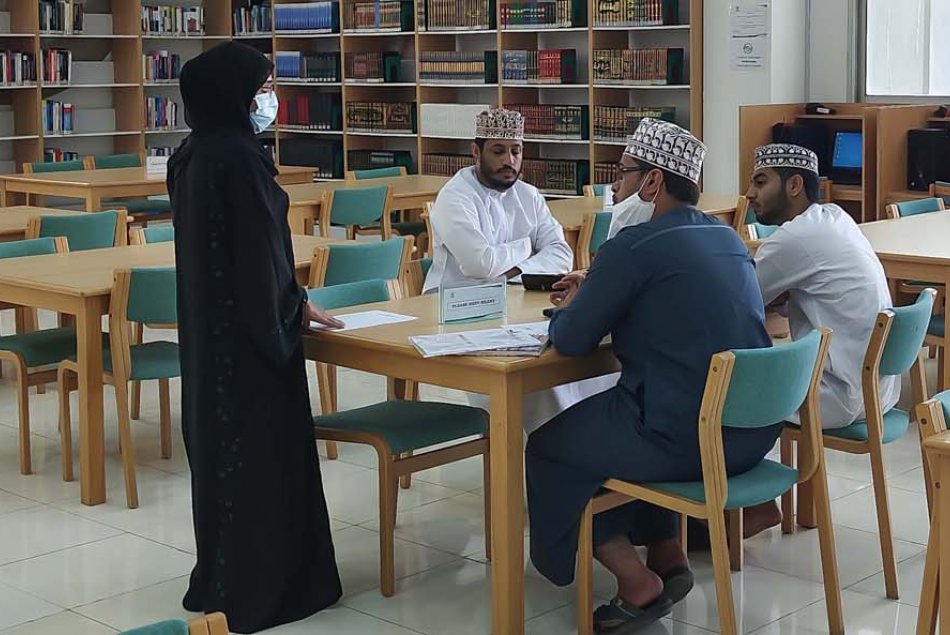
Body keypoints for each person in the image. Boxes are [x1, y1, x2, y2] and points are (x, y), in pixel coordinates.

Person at [526, 119, 777, 633]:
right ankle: (667, 554)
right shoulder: (725, 237)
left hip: (687, 434)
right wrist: (599, 284)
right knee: (609, 431)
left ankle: (635, 580)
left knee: (552, 448)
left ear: (652, 182)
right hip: (750, 433)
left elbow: (572, 341)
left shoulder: (633, 245)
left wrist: (580, 301)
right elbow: (671, 296)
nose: (615, 188)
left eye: (622, 175)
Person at [168, 43, 343, 633]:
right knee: (264, 459)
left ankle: (220, 581)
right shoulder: (242, 158)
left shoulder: (190, 155)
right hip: (253, 340)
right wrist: (294, 309)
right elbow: (262, 255)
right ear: (237, 97)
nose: (267, 100)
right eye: (260, 90)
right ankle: (269, 589)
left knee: (221, 460)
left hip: (209, 336)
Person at [742, 143, 898, 535]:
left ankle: (750, 505)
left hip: (837, 396)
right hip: (878, 388)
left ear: (794, 185)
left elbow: (737, 299)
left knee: (722, 391)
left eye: (761, 182)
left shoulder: (794, 239)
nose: (750, 193)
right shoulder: (835, 218)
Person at [423, 108, 611, 434]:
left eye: (516, 151)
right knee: (537, 381)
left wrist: (512, 270)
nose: (509, 160)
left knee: (576, 363)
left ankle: (580, 447)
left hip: (517, 304)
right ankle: (550, 452)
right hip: (457, 311)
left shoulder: (528, 195)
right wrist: (527, 247)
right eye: (498, 151)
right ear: (475, 151)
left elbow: (561, 254)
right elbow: (479, 264)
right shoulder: (455, 197)